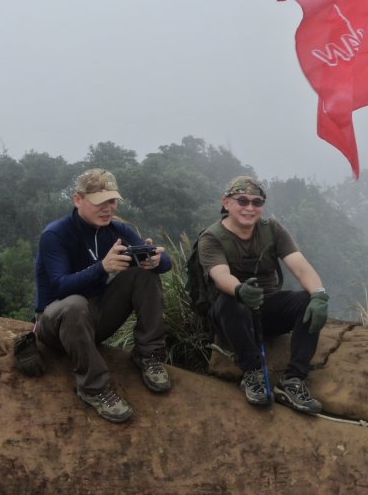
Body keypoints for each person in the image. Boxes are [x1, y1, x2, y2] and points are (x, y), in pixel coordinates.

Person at [35, 168, 173, 423]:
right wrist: (102, 268)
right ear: (78, 200)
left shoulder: (117, 230)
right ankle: (93, 387)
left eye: (112, 201)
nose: (108, 208)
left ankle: (148, 355)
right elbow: (59, 287)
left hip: (96, 318)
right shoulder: (56, 234)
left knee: (143, 274)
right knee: (75, 304)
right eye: (100, 202)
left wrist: (156, 259)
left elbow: (166, 262)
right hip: (56, 322)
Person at [195, 176, 328, 414]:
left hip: (266, 308)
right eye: (242, 201)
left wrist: (319, 294)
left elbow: (299, 265)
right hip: (231, 315)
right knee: (230, 302)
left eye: (257, 202)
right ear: (226, 203)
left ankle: (294, 380)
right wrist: (239, 290)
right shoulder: (212, 237)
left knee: (307, 301)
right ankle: (253, 372)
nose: (249, 208)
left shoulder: (272, 230)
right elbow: (220, 274)